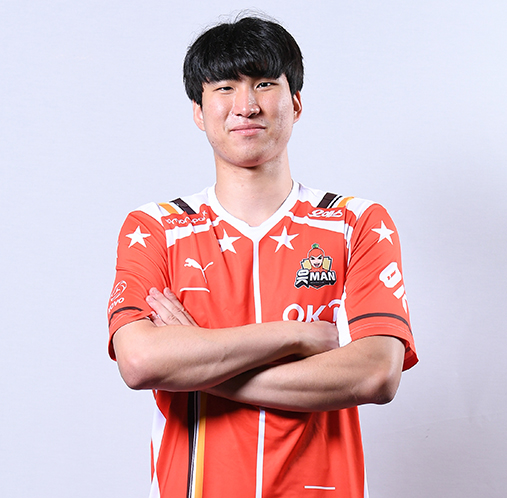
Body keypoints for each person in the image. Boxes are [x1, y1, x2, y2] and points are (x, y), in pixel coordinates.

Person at [107, 15, 418, 498]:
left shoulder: (355, 223)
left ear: (295, 102)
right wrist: (300, 335)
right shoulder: (155, 229)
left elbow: (377, 372)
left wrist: (197, 365)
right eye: (225, 88)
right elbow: (141, 361)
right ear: (198, 111)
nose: (246, 105)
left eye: (265, 84)